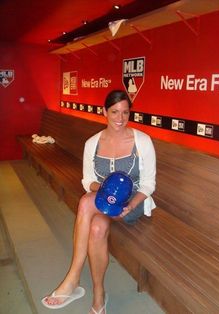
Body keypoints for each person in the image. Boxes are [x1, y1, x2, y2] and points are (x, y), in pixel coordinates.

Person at [41, 90, 156, 314]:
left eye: (125, 112)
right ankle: (98, 295)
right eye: (114, 112)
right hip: (103, 203)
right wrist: (105, 191)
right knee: (96, 227)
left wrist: (130, 205)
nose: (120, 118)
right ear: (105, 112)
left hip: (132, 204)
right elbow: (88, 181)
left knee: (85, 203)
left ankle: (73, 278)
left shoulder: (142, 141)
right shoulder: (93, 143)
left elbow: (149, 184)